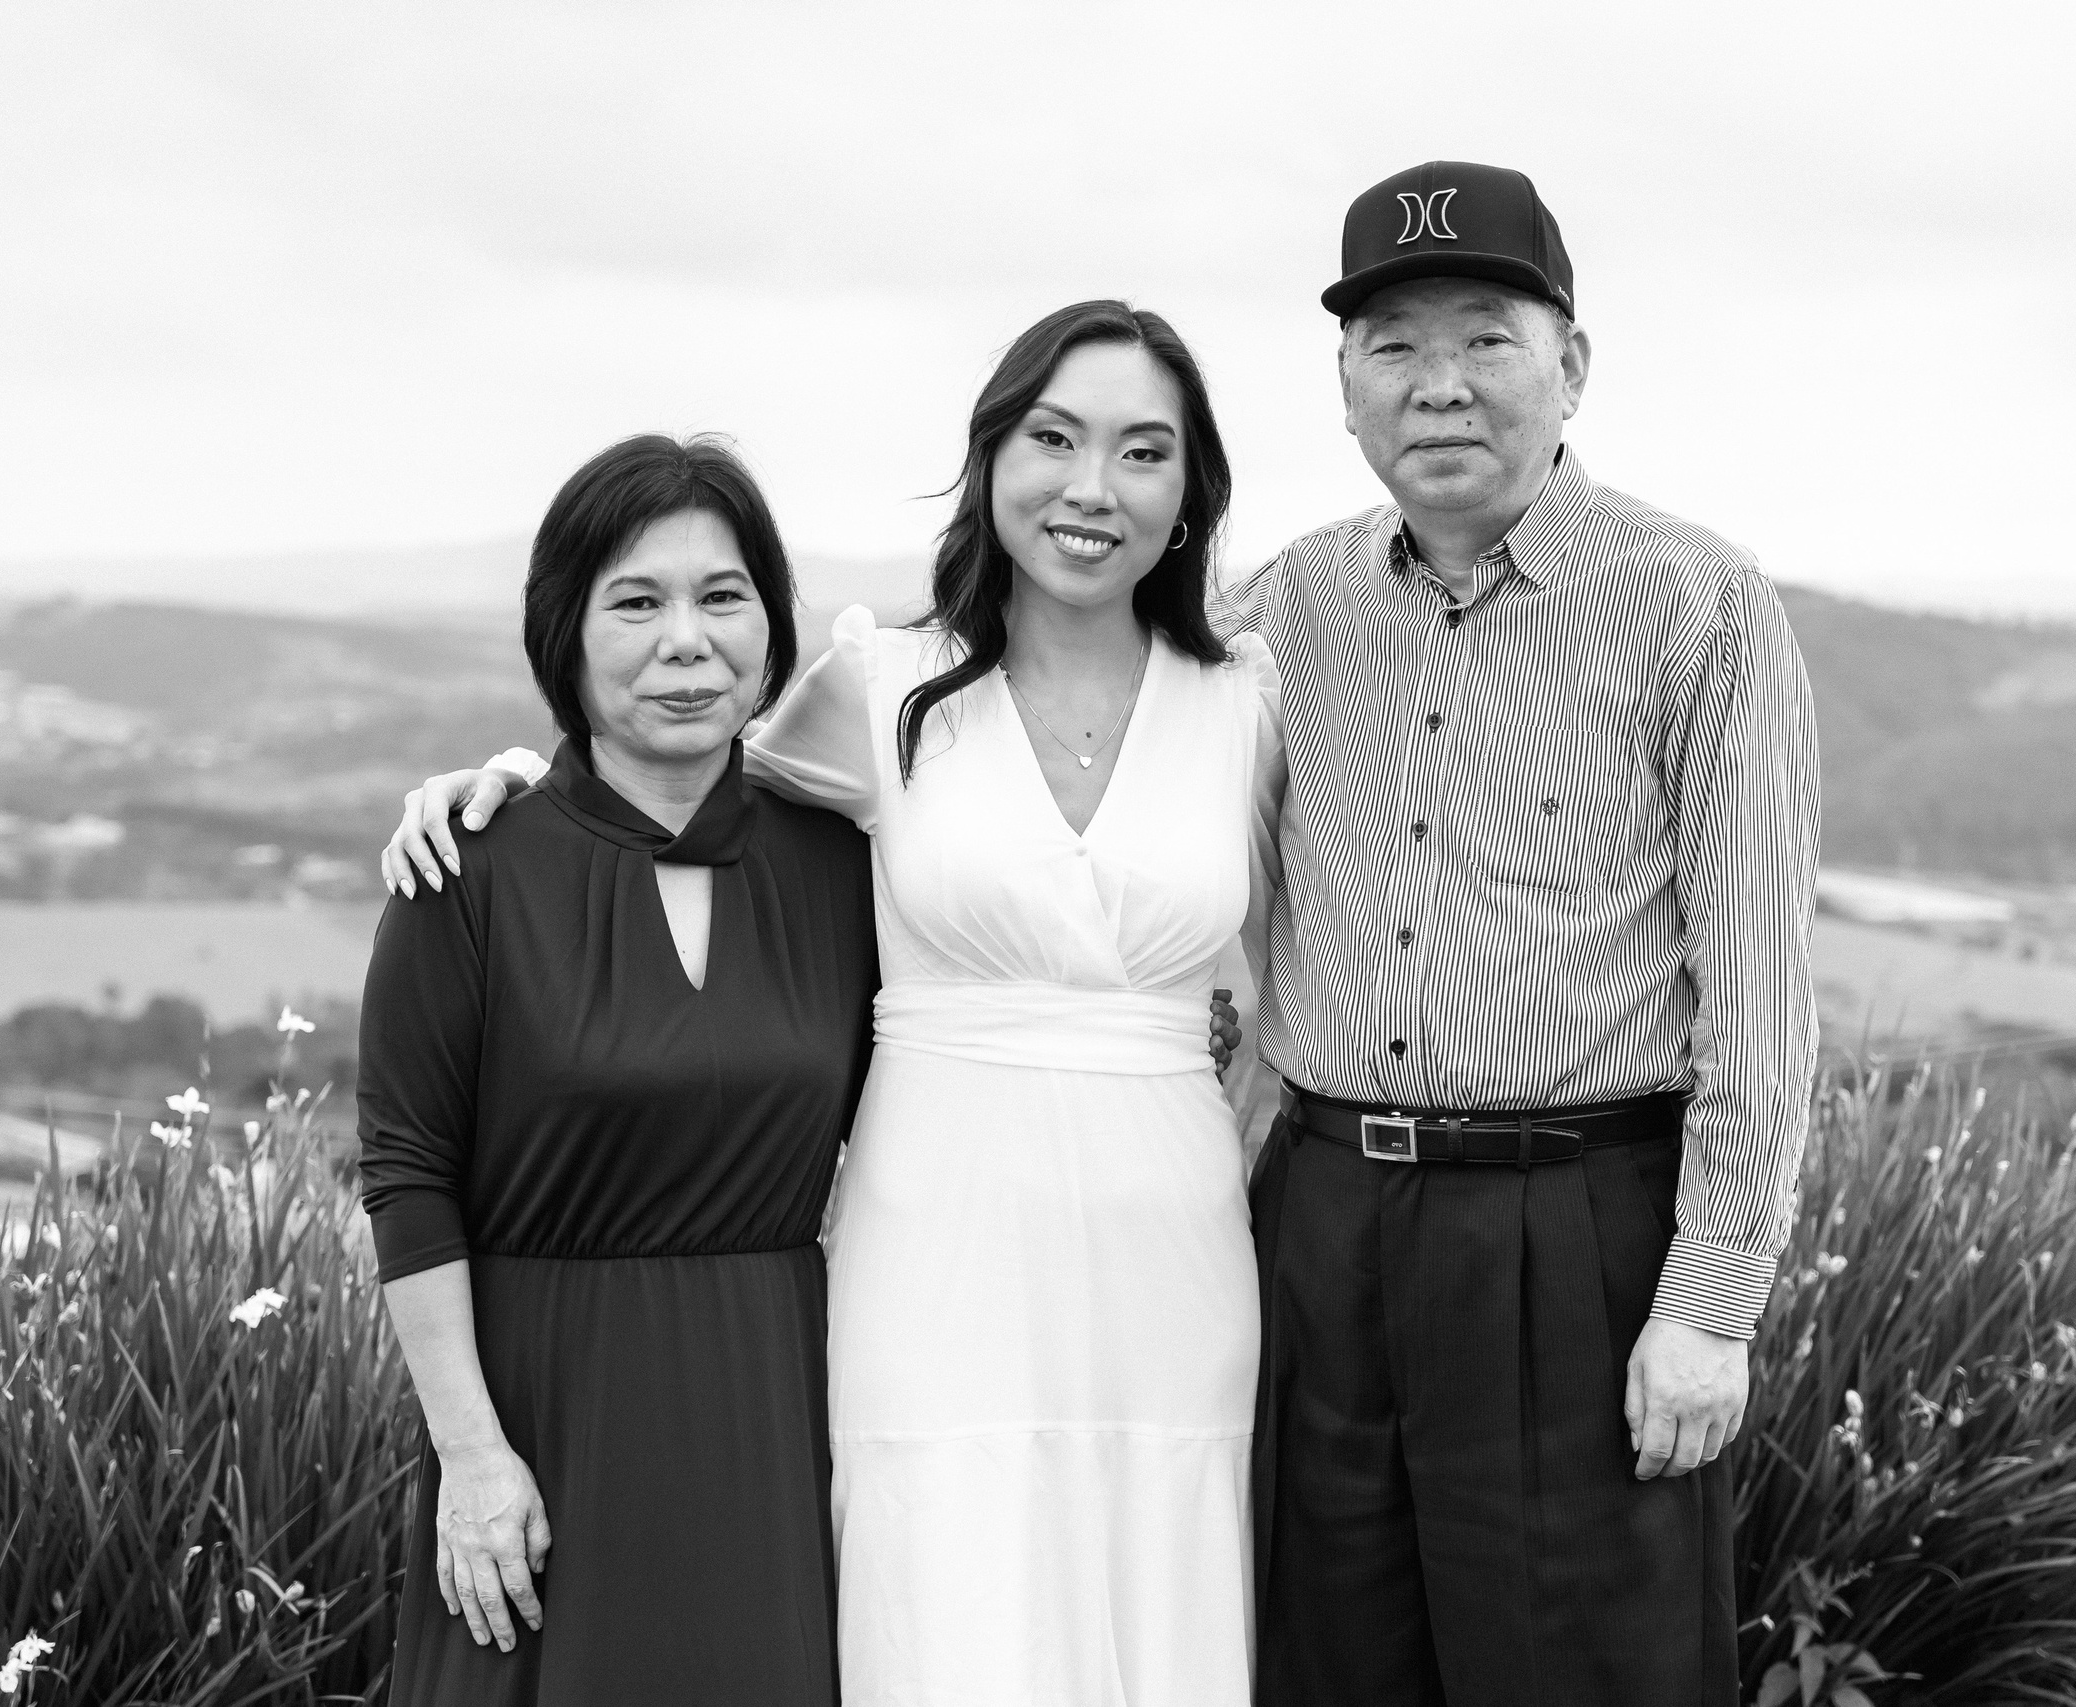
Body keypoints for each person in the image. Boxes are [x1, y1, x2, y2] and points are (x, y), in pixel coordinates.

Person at [383, 301, 1277, 1704]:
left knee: (1163, 1595)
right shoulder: (883, 686)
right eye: (1052, 436)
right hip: (935, 1251)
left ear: (1190, 495)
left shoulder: (1250, 701)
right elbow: (669, 768)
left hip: (1175, 1248)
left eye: (1142, 449)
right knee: (945, 1614)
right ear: (991, 459)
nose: (1091, 483)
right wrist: (497, 778)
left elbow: (1312, 983)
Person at [1228, 161, 1819, 1707]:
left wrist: (1708, 1302)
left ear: (1573, 363)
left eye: (1486, 337)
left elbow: (1758, 987)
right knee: (1327, 1666)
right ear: (1344, 384)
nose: (1439, 386)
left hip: (1580, 1235)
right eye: (1393, 344)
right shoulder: (1285, 608)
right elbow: (1063, 731)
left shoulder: (1700, 604)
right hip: (1324, 1222)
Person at [358, 433, 878, 1704]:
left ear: (770, 623)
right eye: (635, 602)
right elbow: (407, 1178)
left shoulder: (849, 865)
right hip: (542, 1424)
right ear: (565, 634)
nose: (685, 641)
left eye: (722, 596)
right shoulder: (468, 869)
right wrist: (472, 1460)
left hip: (774, 1410)